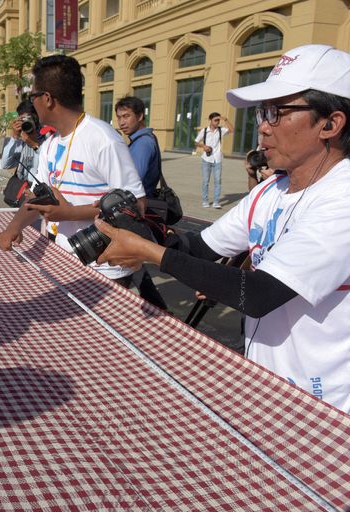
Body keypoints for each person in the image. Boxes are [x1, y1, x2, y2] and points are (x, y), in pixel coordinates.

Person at [95, 44, 350, 412]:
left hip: (326, 408)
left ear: (331, 123)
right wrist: (141, 232)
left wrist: (148, 252)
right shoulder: (270, 190)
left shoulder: (341, 197)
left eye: (277, 112)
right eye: (263, 111)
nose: (262, 126)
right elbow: (199, 249)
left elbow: (260, 294)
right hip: (269, 383)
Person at [0, 55, 146, 286]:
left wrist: (70, 213)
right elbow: (39, 197)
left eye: (32, 96)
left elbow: (135, 204)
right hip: (60, 259)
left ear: (47, 99)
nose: (31, 103)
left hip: (104, 268)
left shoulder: (103, 139)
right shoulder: (49, 144)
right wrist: (13, 227)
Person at [114, 96, 168, 309]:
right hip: (135, 211)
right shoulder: (141, 140)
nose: (122, 122)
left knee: (125, 263)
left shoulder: (143, 143)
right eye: (119, 117)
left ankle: (158, 307)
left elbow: (130, 180)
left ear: (140, 116)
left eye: (126, 116)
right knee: (131, 264)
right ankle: (159, 307)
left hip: (134, 211)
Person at [195, 112, 233, 208]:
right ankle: (205, 201)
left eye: (218, 120)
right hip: (206, 159)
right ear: (210, 120)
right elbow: (196, 142)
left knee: (217, 181)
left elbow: (232, 130)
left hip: (217, 159)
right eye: (215, 120)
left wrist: (226, 120)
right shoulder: (204, 131)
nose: (217, 122)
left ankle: (216, 202)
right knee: (205, 181)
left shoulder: (220, 130)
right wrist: (204, 146)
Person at [1, 99, 44, 182]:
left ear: (36, 118)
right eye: (23, 120)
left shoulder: (47, 136)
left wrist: (34, 144)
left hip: (40, 189)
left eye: (29, 118)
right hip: (23, 188)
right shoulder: (21, 141)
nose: (27, 122)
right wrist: (14, 137)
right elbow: (5, 164)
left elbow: (49, 162)